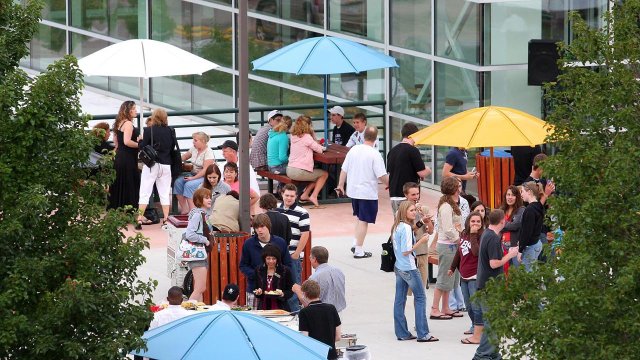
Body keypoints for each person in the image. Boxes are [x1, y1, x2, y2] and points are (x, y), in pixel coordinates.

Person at [337, 126, 389, 259]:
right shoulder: (375, 154)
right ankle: (359, 250)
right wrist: (390, 184)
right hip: (367, 192)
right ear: (376, 138)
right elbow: (382, 175)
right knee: (364, 220)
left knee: (360, 218)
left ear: (363, 136)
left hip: (353, 190)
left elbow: (344, 169)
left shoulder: (354, 149)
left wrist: (340, 185)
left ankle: (356, 243)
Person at [474, 209, 519, 360]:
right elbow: (494, 264)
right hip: (489, 286)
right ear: (502, 221)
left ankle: (493, 353)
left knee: (495, 321)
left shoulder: (487, 233)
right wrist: (510, 255)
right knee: (492, 322)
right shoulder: (493, 238)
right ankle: (482, 355)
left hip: (486, 284)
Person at [391, 201, 438, 343]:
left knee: (400, 299)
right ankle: (423, 333)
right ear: (404, 212)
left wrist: (421, 222)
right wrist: (422, 240)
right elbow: (407, 250)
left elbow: (410, 230)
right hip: (409, 268)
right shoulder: (405, 227)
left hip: (399, 267)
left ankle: (402, 332)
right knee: (420, 298)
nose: (414, 212)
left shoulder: (397, 226)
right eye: (411, 210)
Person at [239, 214, 292, 307]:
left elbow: (288, 265)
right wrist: (258, 275)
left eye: (262, 226)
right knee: (254, 318)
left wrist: (278, 275)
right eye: (256, 227)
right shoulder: (249, 244)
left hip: (277, 290)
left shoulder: (280, 242)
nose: (259, 230)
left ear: (268, 226)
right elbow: (243, 265)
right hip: (254, 289)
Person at [449, 211, 484, 344]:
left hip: (475, 276)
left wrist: (474, 234)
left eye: (478, 222)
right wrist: (452, 268)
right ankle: (477, 329)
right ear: (468, 222)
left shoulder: (481, 236)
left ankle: (479, 334)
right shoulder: (464, 234)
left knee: (476, 306)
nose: (475, 224)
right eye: (473, 221)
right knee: (468, 306)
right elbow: (459, 253)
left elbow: (476, 252)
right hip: (464, 276)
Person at [430, 177, 462, 320]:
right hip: (448, 246)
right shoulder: (446, 207)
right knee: (444, 277)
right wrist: (459, 240)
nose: (460, 188)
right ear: (454, 189)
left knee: (451, 278)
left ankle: (445, 307)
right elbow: (448, 229)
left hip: (452, 245)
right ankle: (435, 309)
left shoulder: (451, 204)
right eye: (458, 186)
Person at [136, 108, 174, 229]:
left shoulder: (148, 130)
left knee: (145, 192)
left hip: (151, 165)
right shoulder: (171, 131)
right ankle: (166, 220)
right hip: (166, 165)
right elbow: (172, 147)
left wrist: (140, 140)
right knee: (164, 193)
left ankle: (140, 219)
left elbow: (142, 147)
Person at [275, 183, 310, 311]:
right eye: (286, 195)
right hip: (279, 256)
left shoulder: (302, 212)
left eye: (291, 196)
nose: (289, 198)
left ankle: (295, 313)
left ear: (296, 197)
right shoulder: (276, 209)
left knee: (295, 287)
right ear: (282, 195)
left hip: (292, 256)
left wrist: (296, 254)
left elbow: (305, 234)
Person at [387, 123, 431, 215]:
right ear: (413, 135)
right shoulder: (413, 150)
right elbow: (422, 173)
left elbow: (393, 171)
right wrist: (428, 169)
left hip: (394, 195)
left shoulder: (392, 151)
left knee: (398, 224)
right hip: (407, 195)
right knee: (410, 224)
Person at [286, 116, 328, 208]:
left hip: (290, 169)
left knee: (315, 175)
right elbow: (319, 149)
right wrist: (313, 133)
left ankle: (305, 195)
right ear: (308, 125)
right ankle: (313, 196)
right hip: (299, 171)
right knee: (324, 174)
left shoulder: (293, 136)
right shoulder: (306, 137)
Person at [401, 182, 434, 293]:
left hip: (423, 252)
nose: (416, 197)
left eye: (417, 194)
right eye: (413, 195)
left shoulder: (424, 209)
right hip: (409, 255)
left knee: (421, 291)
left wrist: (428, 221)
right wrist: (420, 222)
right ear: (406, 195)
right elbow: (408, 232)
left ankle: (419, 310)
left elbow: (431, 231)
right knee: (406, 291)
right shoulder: (401, 212)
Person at [291, 246, 346, 312]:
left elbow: (309, 304)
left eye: (310, 258)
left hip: (324, 314)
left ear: (314, 259)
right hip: (339, 312)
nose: (310, 260)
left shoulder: (314, 278)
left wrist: (298, 291)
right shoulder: (338, 271)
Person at [108, 100, 141, 211]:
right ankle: (130, 209)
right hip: (128, 158)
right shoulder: (128, 124)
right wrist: (140, 145)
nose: (136, 111)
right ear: (128, 111)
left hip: (120, 156)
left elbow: (116, 142)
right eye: (134, 109)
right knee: (129, 183)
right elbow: (127, 142)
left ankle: (117, 208)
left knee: (120, 182)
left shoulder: (119, 122)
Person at [298, 279, 342, 360]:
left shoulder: (304, 312)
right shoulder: (331, 308)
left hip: (314, 355)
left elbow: (305, 338)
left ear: (305, 294)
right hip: (331, 355)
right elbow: (338, 337)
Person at [173, 131, 215, 213]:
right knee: (178, 182)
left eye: (195, 140)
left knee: (189, 185)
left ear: (203, 141)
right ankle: (184, 209)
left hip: (204, 177)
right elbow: (185, 156)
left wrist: (193, 178)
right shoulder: (194, 149)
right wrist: (176, 160)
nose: (193, 142)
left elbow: (205, 170)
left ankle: (193, 211)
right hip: (193, 174)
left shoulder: (208, 152)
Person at [185, 187, 213, 302]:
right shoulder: (198, 215)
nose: (210, 200)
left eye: (210, 197)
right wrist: (205, 240)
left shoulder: (201, 214)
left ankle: (198, 312)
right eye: (206, 198)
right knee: (200, 288)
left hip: (201, 253)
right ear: (199, 200)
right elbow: (190, 234)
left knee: (199, 288)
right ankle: (187, 311)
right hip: (197, 253)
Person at [253, 244, 295, 311]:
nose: (271, 261)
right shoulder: (259, 270)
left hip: (281, 308)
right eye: (268, 258)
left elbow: (291, 290)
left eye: (274, 258)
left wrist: (283, 294)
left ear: (278, 259)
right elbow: (255, 288)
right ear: (264, 258)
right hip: (263, 308)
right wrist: (258, 292)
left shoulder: (284, 270)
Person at [518, 181, 544, 272]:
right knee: (533, 271)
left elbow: (526, 232)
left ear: (529, 192)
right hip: (536, 243)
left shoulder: (530, 210)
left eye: (522, 191)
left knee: (527, 276)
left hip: (531, 246)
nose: (521, 194)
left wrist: (520, 250)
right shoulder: (539, 206)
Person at [499, 185, 525, 270]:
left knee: (516, 274)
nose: (510, 197)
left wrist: (502, 224)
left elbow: (515, 225)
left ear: (517, 197)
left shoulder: (521, 209)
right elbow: (497, 226)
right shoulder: (501, 209)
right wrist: (507, 224)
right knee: (503, 274)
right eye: (508, 194)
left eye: (513, 195)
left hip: (514, 247)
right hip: (502, 247)